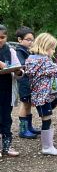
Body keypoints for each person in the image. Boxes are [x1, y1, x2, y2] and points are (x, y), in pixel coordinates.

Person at [0, 24, 23, 158]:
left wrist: (18, 71)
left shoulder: (11, 51)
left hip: (7, 89)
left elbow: (17, 69)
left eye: (3, 37)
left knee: (6, 118)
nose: (0, 40)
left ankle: (7, 146)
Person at [15, 26, 40, 139]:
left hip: (31, 81)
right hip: (24, 82)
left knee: (29, 103)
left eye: (32, 39)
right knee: (24, 103)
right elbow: (22, 65)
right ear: (20, 40)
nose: (31, 42)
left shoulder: (28, 51)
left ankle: (29, 127)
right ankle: (23, 129)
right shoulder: (19, 51)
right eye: (28, 39)